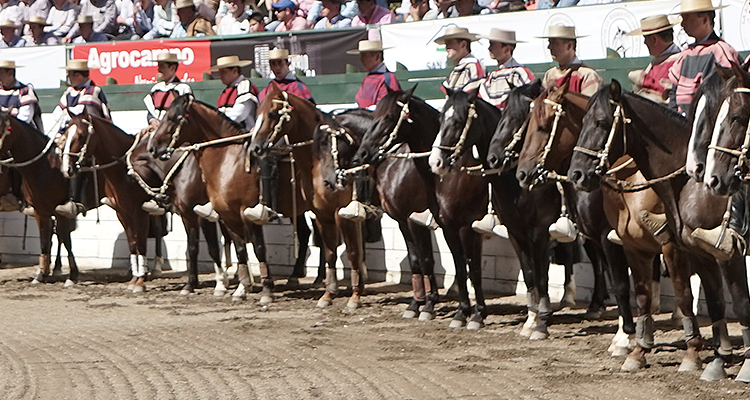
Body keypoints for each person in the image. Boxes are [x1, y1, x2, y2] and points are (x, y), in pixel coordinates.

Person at [662, 0, 742, 260]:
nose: (683, 23)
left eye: (688, 18)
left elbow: (726, 92)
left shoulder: (722, 51)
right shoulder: (684, 54)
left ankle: (728, 225)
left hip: (710, 125)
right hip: (683, 123)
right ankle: (667, 217)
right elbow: (675, 93)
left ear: (706, 19)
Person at [250, 48, 315, 222]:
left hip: (293, 139)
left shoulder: (299, 87)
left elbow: (309, 115)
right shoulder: (267, 91)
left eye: (279, 63)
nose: (276, 67)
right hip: (271, 134)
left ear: (287, 63)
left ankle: (269, 205)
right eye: (273, 64)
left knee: (266, 155)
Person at [193, 55, 258, 222]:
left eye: (223, 72)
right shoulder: (226, 91)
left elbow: (240, 113)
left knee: (261, 160)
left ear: (235, 70)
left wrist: (217, 124)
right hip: (226, 139)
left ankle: (262, 201)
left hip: (245, 136)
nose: (220, 76)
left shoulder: (245, 86)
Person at [52, 59, 111, 218]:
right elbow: (58, 114)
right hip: (71, 133)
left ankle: (76, 200)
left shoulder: (94, 91)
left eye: (70, 74)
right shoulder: (69, 93)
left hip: (91, 137)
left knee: (75, 154)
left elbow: (89, 115)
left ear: (78, 75)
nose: (68, 77)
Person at [141, 52, 193, 214]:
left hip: (172, 135)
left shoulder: (183, 88)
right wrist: (152, 122)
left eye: (162, 66)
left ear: (173, 67)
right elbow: (150, 112)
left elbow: (186, 113)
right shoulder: (155, 88)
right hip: (155, 131)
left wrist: (162, 126)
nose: (158, 69)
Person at [0, 60, 42, 214]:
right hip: (2, 135)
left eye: (1, 73)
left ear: (10, 73)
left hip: (23, 138)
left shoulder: (25, 91)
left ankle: (17, 195)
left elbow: (25, 118)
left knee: (13, 155)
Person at [625, 14, 681, 104]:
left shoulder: (677, 62)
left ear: (654, 39)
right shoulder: (659, 61)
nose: (644, 42)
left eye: (646, 38)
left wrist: (640, 79)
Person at [477, 28, 534, 109]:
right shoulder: (492, 75)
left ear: (506, 49)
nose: (489, 48)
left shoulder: (520, 73)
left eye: (493, 45)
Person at [539, 25, 601, 97]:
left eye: (555, 43)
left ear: (569, 46)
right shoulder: (549, 75)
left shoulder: (587, 75)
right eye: (549, 42)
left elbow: (590, 106)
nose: (549, 47)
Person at [347, 40, 400, 109]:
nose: (361, 60)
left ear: (377, 57)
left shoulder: (388, 78)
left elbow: (387, 108)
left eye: (364, 55)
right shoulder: (367, 78)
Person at [435, 26, 485, 93]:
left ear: (463, 44)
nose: (446, 48)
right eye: (446, 44)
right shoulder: (460, 68)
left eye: (450, 43)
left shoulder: (474, 67)